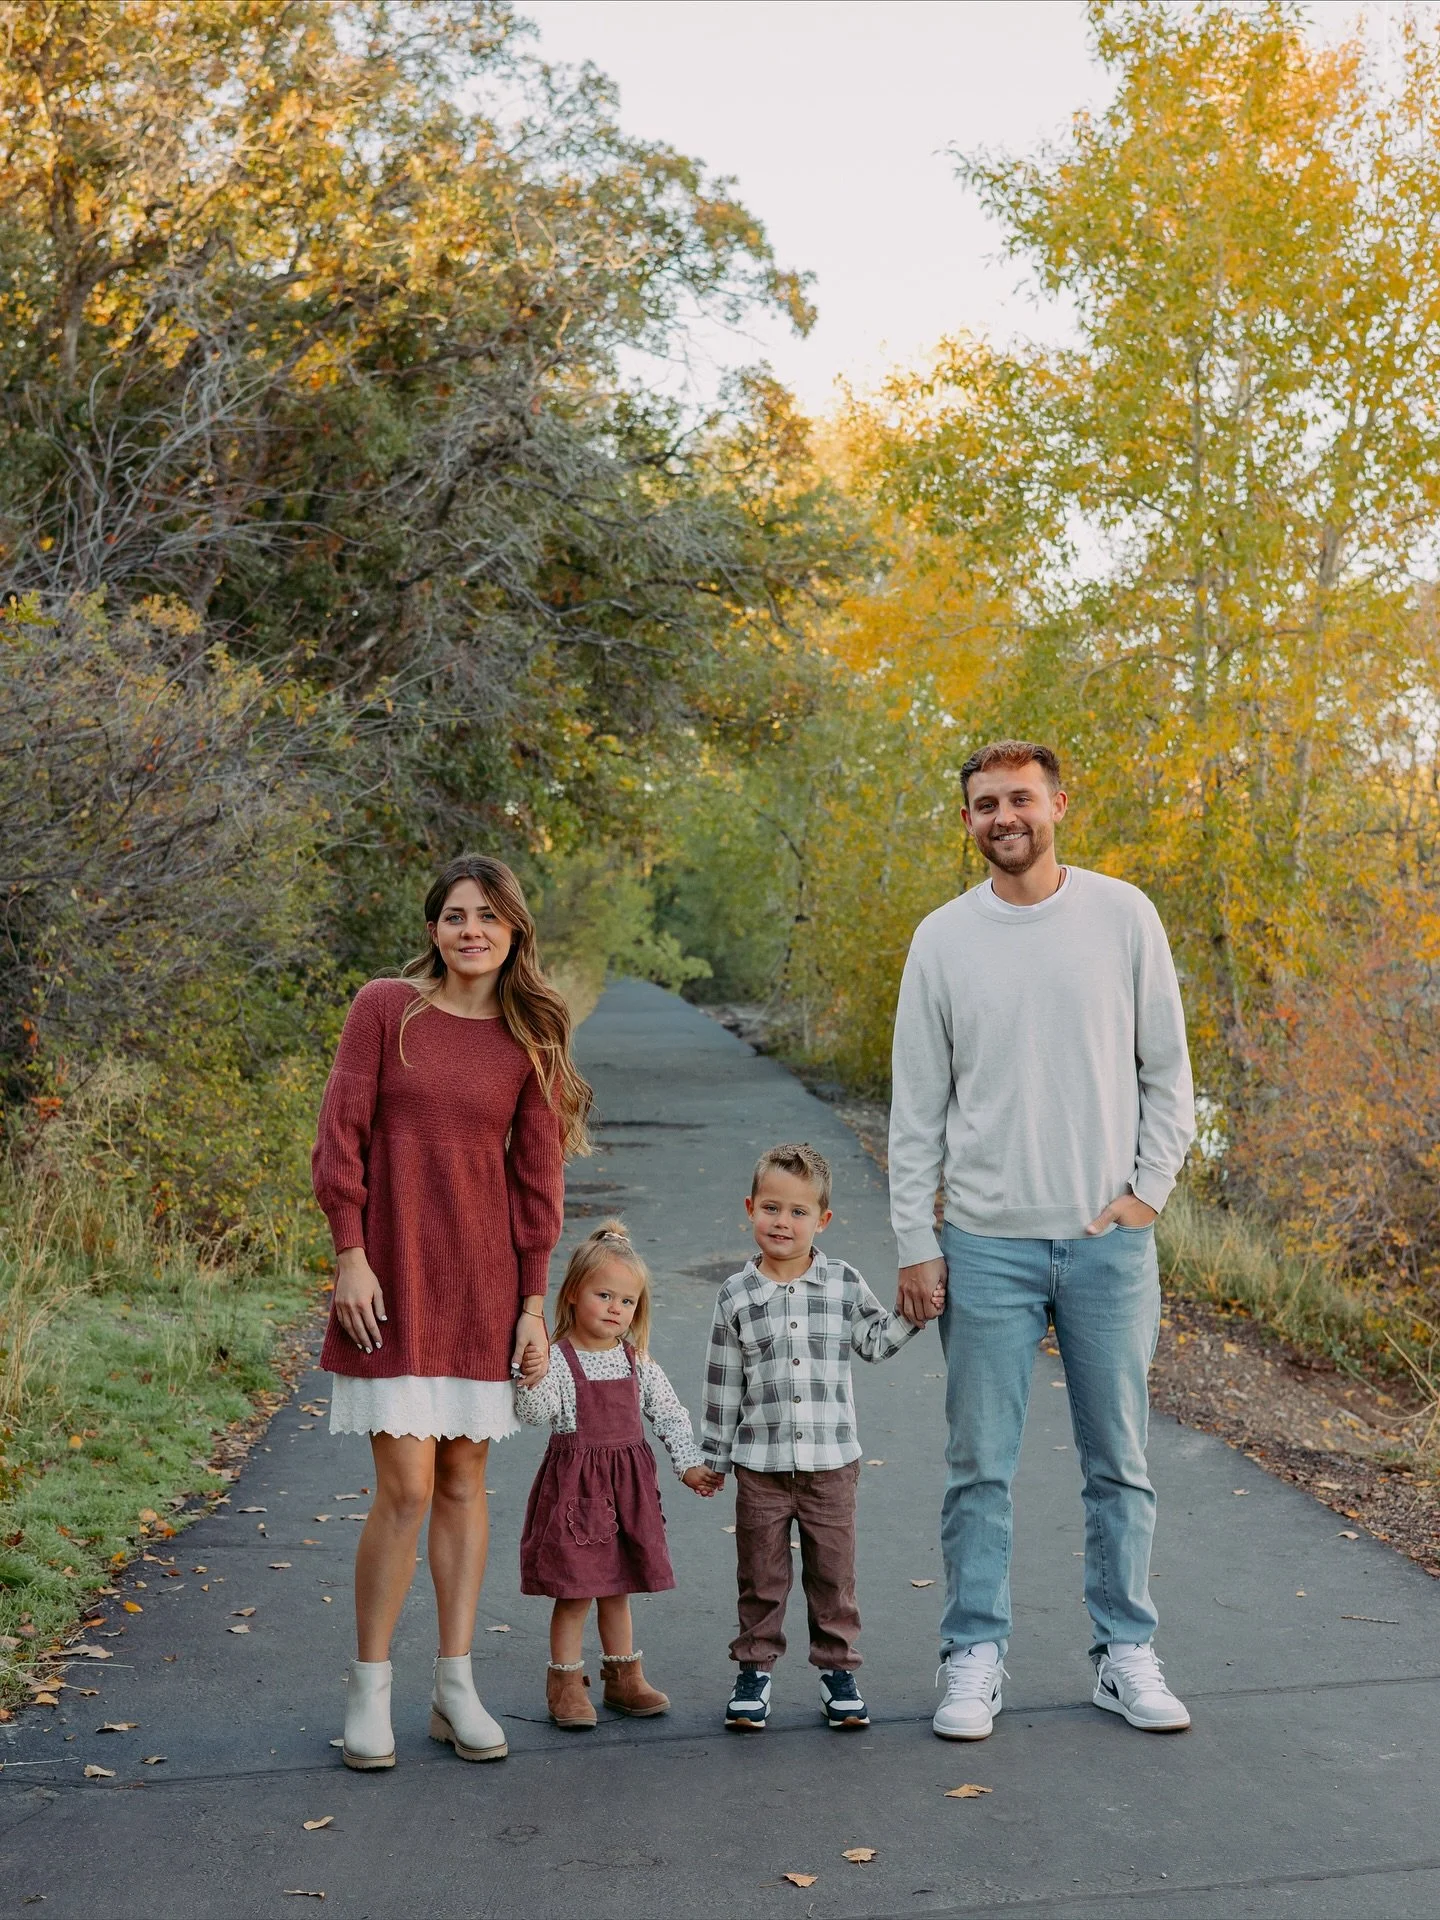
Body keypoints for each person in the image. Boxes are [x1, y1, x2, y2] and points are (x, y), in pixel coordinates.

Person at [889, 740, 1197, 1742]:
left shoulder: (1123, 917)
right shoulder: (941, 939)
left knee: (1120, 1461)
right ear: (967, 820)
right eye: (985, 803)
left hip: (1107, 1245)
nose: (1004, 815)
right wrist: (914, 1241)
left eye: (1021, 798)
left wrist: (1148, 1194)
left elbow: (1168, 1073)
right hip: (983, 1243)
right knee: (980, 1464)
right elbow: (916, 1110)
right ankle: (973, 1656)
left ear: (1059, 803)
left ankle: (1125, 1653)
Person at [312, 854, 590, 1770]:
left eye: (489, 917)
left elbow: (536, 1180)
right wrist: (349, 1255)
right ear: (434, 926)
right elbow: (340, 1137)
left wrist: (531, 1306)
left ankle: (455, 1687)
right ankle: (369, 1689)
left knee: (466, 1482)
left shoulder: (528, 1039)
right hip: (390, 1276)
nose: (471, 930)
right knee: (405, 1488)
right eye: (455, 915)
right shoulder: (385, 1009)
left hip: (482, 1284)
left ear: (514, 932)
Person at [701, 1143, 939, 1732]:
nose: (784, 1222)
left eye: (799, 1212)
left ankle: (839, 1673)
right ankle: (753, 1673)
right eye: (772, 1208)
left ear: (822, 1220)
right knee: (761, 1576)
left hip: (832, 1466)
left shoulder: (841, 1283)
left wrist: (917, 1312)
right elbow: (723, 1383)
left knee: (833, 1575)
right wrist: (713, 1456)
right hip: (760, 1464)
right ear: (750, 1208)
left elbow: (875, 1343)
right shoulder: (736, 1294)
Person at [515, 1221, 721, 1727]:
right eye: (604, 1295)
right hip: (576, 1496)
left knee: (617, 1585)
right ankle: (564, 1683)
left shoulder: (636, 1360)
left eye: (626, 1301)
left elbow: (669, 1412)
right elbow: (537, 1414)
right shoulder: (561, 1359)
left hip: (627, 1492)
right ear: (573, 1294)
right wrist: (531, 1374)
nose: (615, 1309)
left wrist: (687, 1462)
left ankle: (624, 1678)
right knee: (576, 1590)